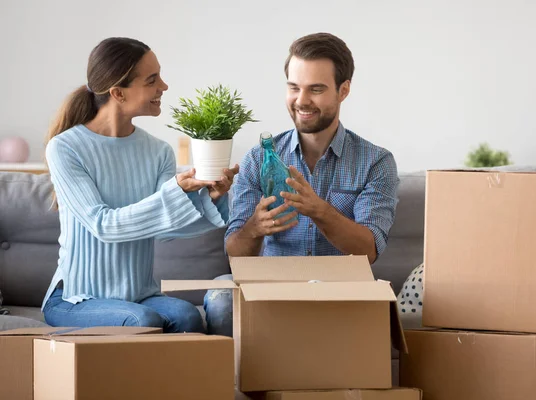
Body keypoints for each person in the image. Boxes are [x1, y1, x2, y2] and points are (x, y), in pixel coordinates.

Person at [203, 32, 399, 336]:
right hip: (270, 291)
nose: (302, 101)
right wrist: (254, 228)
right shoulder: (258, 158)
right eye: (294, 87)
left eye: (316, 89)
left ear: (343, 90)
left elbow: (369, 250)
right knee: (219, 297)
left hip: (337, 292)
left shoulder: (376, 162)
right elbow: (235, 254)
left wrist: (319, 210)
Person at [42, 37, 238, 333]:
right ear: (118, 92)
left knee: (187, 316)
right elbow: (103, 225)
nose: (164, 86)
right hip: (75, 298)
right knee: (142, 321)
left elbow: (166, 228)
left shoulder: (158, 151)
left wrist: (209, 197)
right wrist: (174, 192)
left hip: (139, 296)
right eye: (152, 80)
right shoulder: (66, 148)